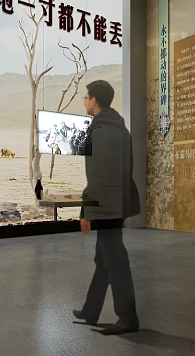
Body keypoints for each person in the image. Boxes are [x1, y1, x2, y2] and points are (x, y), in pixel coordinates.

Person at [72, 80, 140, 335]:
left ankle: (127, 319)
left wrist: (86, 212)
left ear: (95, 101)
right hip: (119, 200)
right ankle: (91, 311)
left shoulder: (100, 132)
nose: (84, 101)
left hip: (107, 203)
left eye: (86, 97)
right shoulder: (119, 128)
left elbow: (99, 176)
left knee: (115, 259)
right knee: (105, 257)